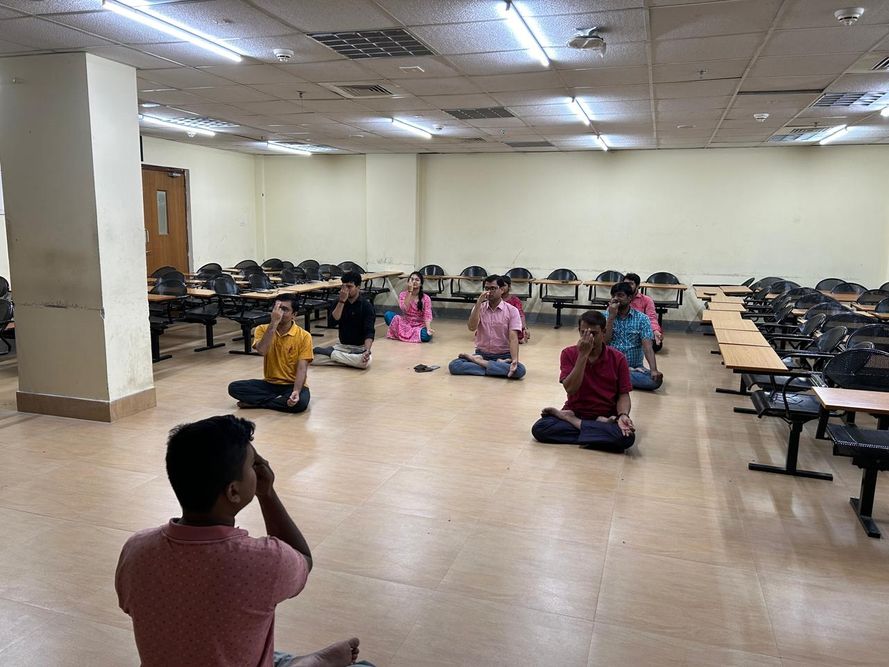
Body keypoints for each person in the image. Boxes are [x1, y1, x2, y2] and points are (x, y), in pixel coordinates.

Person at [115, 415, 374, 667]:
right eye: (253, 464)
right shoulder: (264, 560)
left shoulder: (136, 549)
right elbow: (302, 560)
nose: (261, 466)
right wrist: (268, 494)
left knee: (233, 643)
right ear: (233, 491)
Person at [531, 310, 635, 451]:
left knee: (626, 437)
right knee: (541, 428)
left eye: (594, 333)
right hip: (576, 411)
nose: (588, 337)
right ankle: (596, 434)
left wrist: (623, 415)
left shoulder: (618, 358)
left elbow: (623, 394)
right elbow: (571, 389)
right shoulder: (568, 353)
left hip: (605, 415)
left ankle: (575, 423)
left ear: (604, 332)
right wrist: (582, 356)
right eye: (583, 333)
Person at [227, 294, 312, 413]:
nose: (279, 313)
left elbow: (302, 369)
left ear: (294, 314)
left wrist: (296, 391)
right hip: (269, 384)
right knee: (234, 388)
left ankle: (259, 403)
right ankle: (277, 400)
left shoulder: (304, 336)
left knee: (300, 403)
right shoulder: (262, 329)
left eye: (285, 309)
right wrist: (273, 324)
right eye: (277, 308)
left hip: (291, 385)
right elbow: (262, 350)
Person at [448, 275, 526, 379]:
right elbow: (471, 327)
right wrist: (478, 303)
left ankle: (478, 362)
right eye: (486, 288)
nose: (489, 292)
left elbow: (513, 338)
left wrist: (515, 360)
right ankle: (495, 367)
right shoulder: (480, 308)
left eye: (493, 288)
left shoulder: (512, 310)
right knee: (454, 366)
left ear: (502, 290)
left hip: (504, 355)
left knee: (520, 370)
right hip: (482, 354)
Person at [604, 282, 664, 390]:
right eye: (613, 296)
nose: (616, 299)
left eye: (620, 295)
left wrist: (654, 370)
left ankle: (618, 378)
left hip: (635, 367)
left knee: (654, 381)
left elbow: (647, 347)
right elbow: (605, 341)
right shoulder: (605, 316)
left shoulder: (642, 319)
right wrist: (611, 317)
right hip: (610, 365)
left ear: (630, 298)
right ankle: (623, 376)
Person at [313, 271, 375, 369]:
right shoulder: (338, 302)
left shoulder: (366, 306)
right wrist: (341, 301)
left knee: (364, 362)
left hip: (359, 348)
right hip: (341, 347)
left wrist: (367, 351)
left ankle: (333, 356)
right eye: (343, 287)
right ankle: (346, 360)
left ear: (358, 287)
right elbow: (332, 323)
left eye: (349, 287)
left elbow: (369, 331)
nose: (345, 290)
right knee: (312, 358)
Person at [385, 271, 434, 343]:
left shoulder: (426, 298)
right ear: (408, 282)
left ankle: (400, 333)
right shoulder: (402, 295)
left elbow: (427, 315)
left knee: (426, 335)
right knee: (388, 315)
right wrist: (410, 292)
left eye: (417, 280)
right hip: (405, 323)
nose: (414, 281)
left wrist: (428, 328)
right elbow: (404, 309)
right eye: (412, 279)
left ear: (421, 284)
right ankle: (405, 333)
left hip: (418, 325)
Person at [624, 271, 663, 351]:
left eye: (631, 284)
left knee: (656, 344)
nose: (627, 286)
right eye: (625, 284)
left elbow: (652, 318)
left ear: (638, 286)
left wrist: (655, 331)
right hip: (623, 328)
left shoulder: (647, 300)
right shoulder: (619, 298)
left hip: (639, 330)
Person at [500, 274, 530, 343]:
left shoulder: (515, 300)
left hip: (510, 324)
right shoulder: (495, 299)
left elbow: (521, 314)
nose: (502, 288)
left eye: (504, 285)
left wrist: (524, 328)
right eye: (500, 286)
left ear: (509, 286)